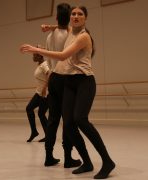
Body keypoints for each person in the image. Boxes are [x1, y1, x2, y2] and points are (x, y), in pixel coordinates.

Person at [20, 6, 115, 179]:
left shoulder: (84, 37)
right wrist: (51, 27)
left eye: (80, 14)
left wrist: (37, 50)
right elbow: (63, 27)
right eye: (73, 14)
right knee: (69, 125)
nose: (76, 16)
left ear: (85, 18)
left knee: (80, 119)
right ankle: (86, 162)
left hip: (84, 81)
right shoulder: (71, 30)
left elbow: (63, 55)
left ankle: (107, 161)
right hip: (70, 83)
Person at [41, 3, 81, 168]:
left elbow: (48, 59)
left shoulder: (50, 36)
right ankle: (68, 157)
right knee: (68, 120)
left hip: (53, 78)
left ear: (57, 18)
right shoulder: (72, 35)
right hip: (67, 78)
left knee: (53, 119)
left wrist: (51, 26)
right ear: (70, 18)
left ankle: (49, 156)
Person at [26, 52, 49, 142]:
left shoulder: (44, 64)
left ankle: (48, 135)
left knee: (40, 114)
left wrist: (44, 88)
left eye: (34, 55)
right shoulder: (40, 65)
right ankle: (34, 131)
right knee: (29, 108)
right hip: (39, 93)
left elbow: (50, 75)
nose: (33, 57)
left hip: (45, 94)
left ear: (40, 56)